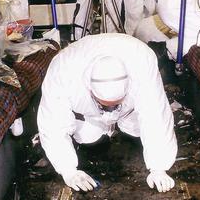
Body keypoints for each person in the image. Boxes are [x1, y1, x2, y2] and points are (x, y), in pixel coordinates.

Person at [37, 33, 177, 193]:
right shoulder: (63, 71)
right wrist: (68, 170)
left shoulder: (142, 62)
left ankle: (125, 121)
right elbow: (53, 125)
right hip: (88, 114)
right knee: (89, 137)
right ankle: (95, 127)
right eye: (105, 105)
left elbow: (156, 115)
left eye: (115, 104)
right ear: (89, 89)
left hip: (129, 110)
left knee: (136, 128)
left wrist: (159, 168)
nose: (111, 110)